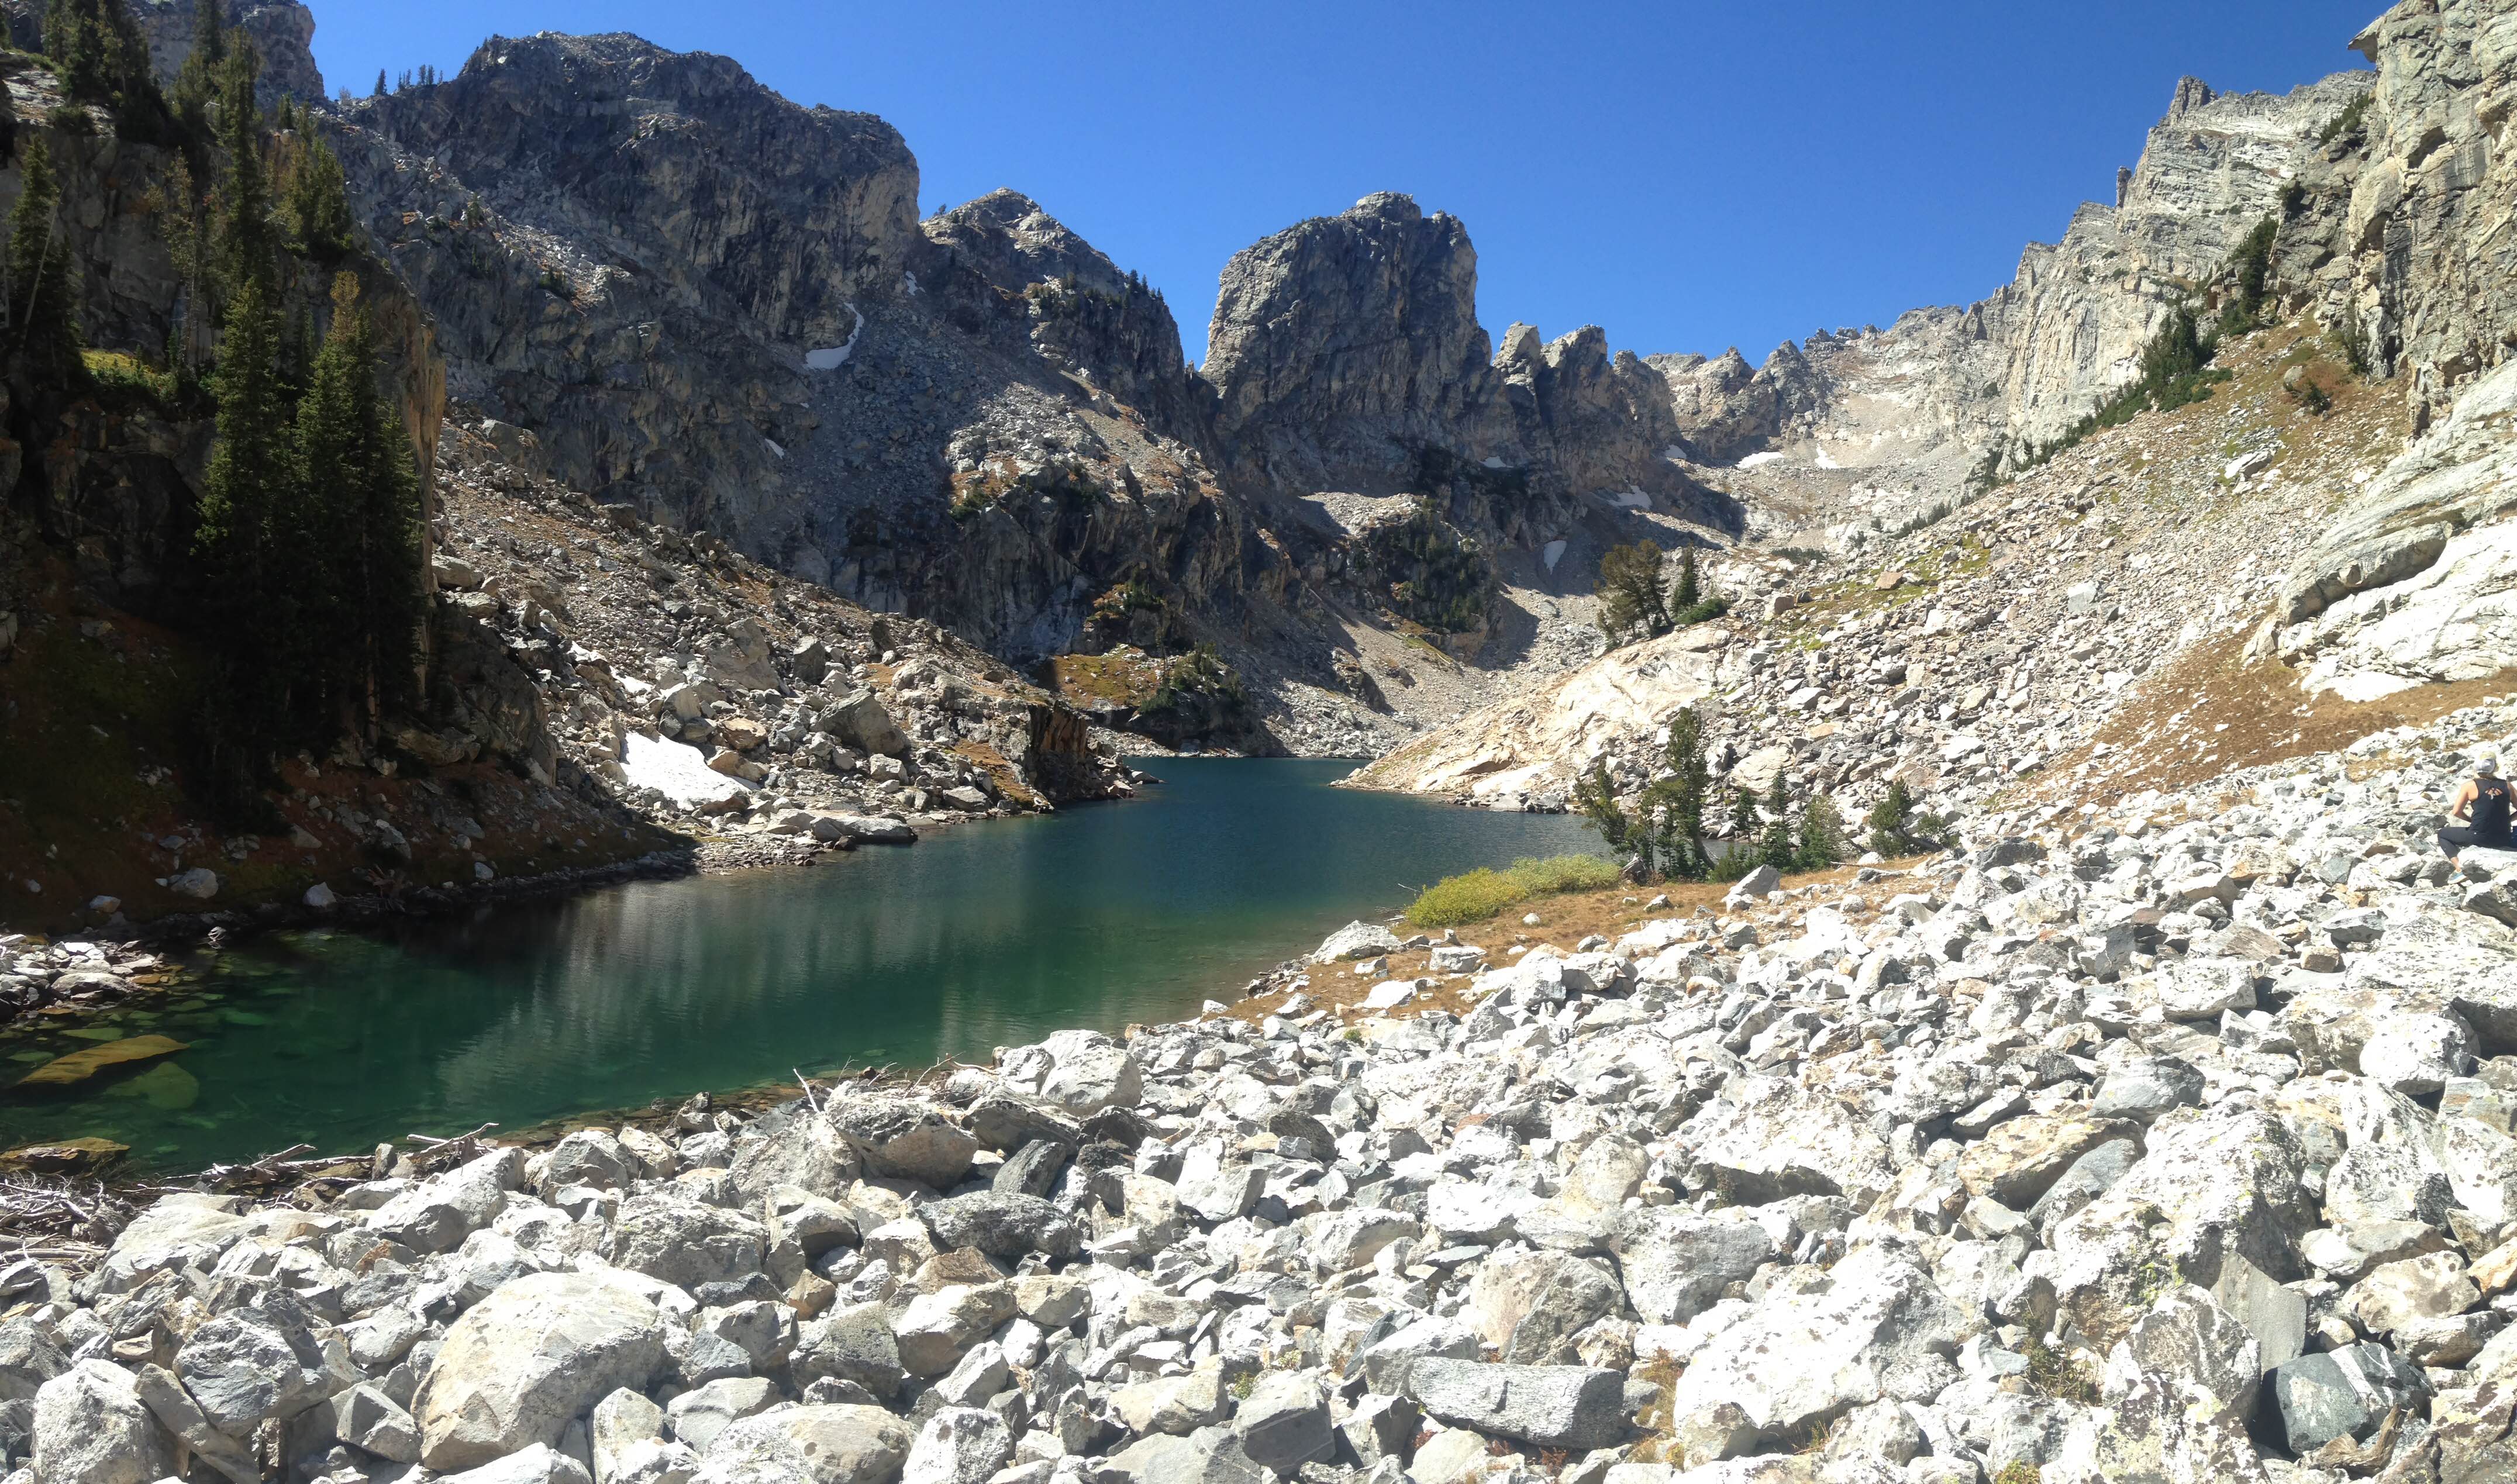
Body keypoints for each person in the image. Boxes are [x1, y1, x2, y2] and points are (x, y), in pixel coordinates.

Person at [2440, 747, 2513, 861]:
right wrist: (2507, 820)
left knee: (2443, 834)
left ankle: (2459, 866)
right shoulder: (2508, 785)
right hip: (2504, 837)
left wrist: (2471, 821)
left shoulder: (2469, 785)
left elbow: (2456, 812)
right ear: (2494, 767)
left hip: (2479, 837)